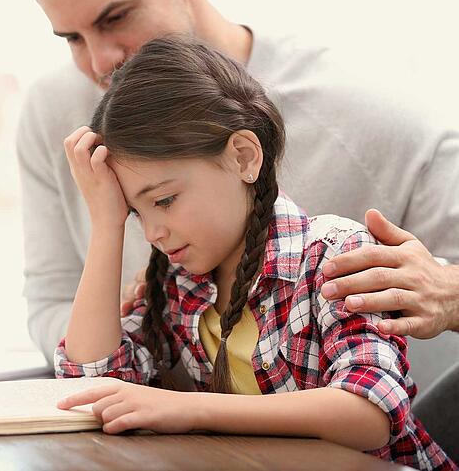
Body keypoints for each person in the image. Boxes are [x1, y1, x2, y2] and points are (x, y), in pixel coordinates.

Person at [53, 35, 454, 470]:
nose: (153, 232)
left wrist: (187, 410)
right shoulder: (179, 283)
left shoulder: (334, 254)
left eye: (165, 200)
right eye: (135, 212)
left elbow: (370, 412)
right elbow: (91, 383)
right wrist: (105, 226)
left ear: (244, 157)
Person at [13, 0, 459, 366]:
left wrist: (448, 292)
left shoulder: (372, 120)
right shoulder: (54, 114)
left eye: (116, 18)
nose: (100, 62)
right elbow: (52, 300)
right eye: (72, 38)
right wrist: (126, 342)